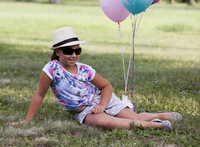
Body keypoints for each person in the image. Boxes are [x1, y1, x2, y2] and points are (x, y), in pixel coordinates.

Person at [10, 27, 182, 131]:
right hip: (85, 110)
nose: (74, 55)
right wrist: (27, 120)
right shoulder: (51, 70)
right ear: (57, 52)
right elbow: (39, 95)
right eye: (68, 51)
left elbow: (106, 86)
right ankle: (158, 125)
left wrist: (101, 105)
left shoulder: (85, 70)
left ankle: (159, 115)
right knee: (114, 123)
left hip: (102, 101)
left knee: (134, 116)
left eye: (77, 51)